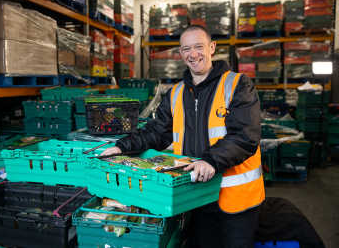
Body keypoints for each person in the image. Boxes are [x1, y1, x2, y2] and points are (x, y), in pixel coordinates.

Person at [101, 25, 265, 248]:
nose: (193, 54)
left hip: (235, 199)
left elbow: (245, 135)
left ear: (212, 48)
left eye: (199, 46)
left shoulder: (237, 85)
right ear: (181, 54)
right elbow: (157, 131)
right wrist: (122, 146)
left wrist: (211, 160)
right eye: (187, 49)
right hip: (195, 195)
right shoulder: (176, 94)